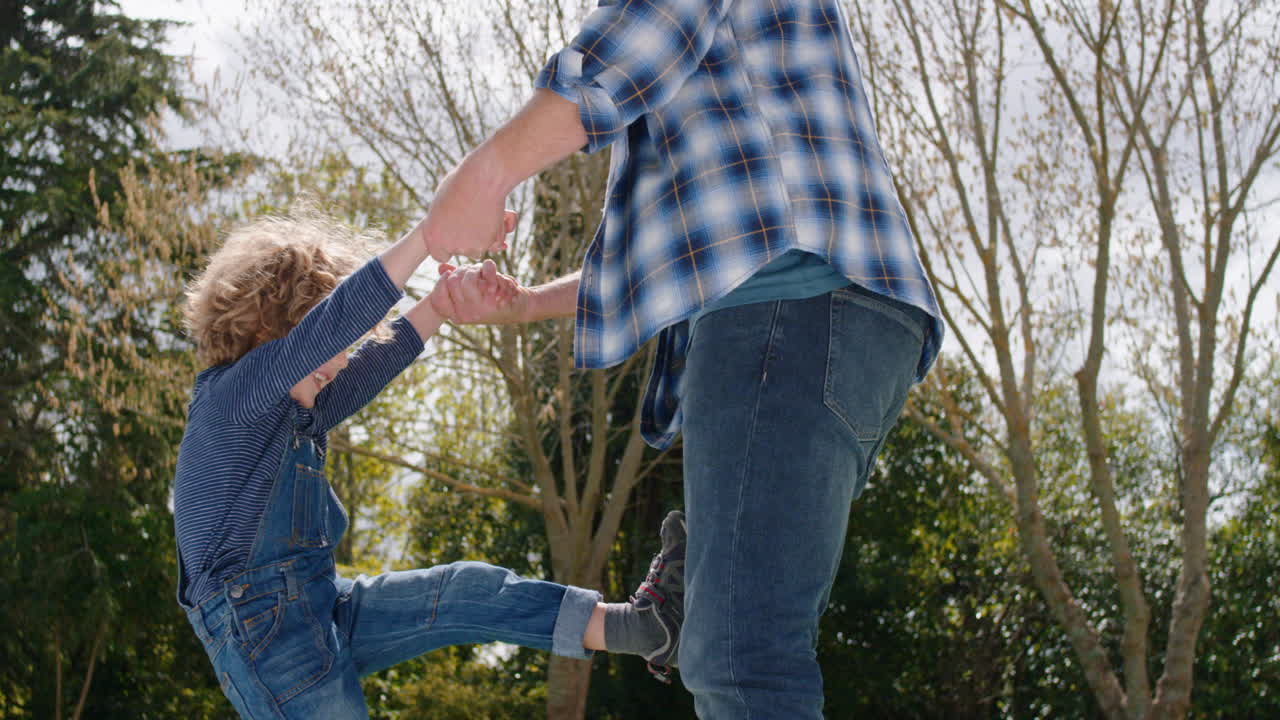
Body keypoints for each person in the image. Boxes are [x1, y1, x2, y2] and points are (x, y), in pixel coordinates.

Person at [421, 0, 945, 716]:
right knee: (724, 635)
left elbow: (631, 49)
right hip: (846, 325)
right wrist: (524, 304)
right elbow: (698, 251)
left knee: (739, 660)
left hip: (785, 318)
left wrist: (484, 174)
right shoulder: (739, 84)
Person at [172, 206, 687, 719]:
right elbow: (330, 328)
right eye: (335, 346)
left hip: (322, 604)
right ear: (282, 328)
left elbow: (372, 365)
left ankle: (641, 628)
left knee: (466, 591)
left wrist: (437, 306)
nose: (344, 360)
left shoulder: (290, 412)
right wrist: (429, 237)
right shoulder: (234, 397)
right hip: (263, 633)